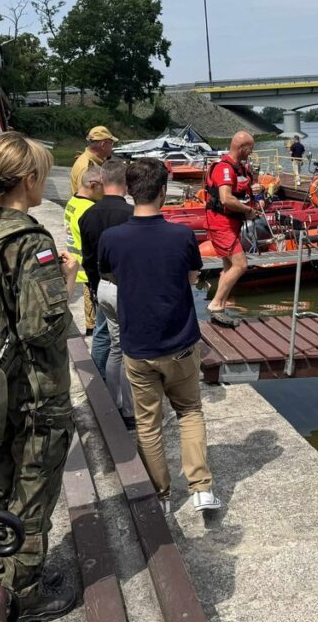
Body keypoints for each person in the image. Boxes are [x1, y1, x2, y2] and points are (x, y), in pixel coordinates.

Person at [0, 131, 80, 621]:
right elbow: (42, 327)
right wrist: (68, 280)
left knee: (1, 489)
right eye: (44, 172)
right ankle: (25, 596)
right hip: (34, 394)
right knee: (32, 494)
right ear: (30, 179)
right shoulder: (30, 239)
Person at [98, 157, 221, 515]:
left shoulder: (112, 238)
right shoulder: (182, 235)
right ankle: (200, 489)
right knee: (189, 411)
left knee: (148, 424)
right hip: (180, 342)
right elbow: (194, 278)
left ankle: (162, 496)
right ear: (163, 192)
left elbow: (111, 277)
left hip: (138, 345)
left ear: (130, 192)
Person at [78, 160, 134, 426]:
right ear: (125, 183)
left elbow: (88, 258)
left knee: (114, 348)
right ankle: (130, 411)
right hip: (127, 288)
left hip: (102, 286)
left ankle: (113, 401)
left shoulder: (86, 216)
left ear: (102, 180)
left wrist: (93, 287)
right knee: (129, 351)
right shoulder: (131, 214)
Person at [204, 131, 260, 325]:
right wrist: (247, 210)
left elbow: (239, 190)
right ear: (241, 148)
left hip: (231, 223)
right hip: (221, 225)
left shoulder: (239, 169)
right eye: (250, 149)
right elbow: (226, 198)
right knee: (240, 264)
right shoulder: (224, 168)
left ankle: (221, 308)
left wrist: (253, 191)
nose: (251, 153)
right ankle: (216, 305)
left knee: (228, 266)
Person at [63, 166, 103, 338]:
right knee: (93, 302)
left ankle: (90, 327)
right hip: (88, 266)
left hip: (78, 264)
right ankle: (92, 330)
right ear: (93, 185)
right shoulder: (89, 209)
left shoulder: (73, 202)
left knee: (89, 301)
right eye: (104, 185)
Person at [69, 125, 118, 196]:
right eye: (111, 143)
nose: (112, 147)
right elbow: (84, 196)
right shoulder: (86, 166)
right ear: (103, 145)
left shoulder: (88, 159)